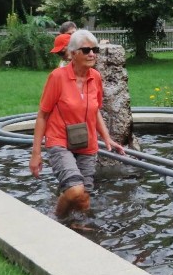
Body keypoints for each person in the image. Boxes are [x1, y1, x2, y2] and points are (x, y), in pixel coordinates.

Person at [30, 30, 126, 218]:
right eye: (86, 50)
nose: (92, 54)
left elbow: (95, 109)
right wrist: (36, 154)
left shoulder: (96, 77)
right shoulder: (58, 77)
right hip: (59, 140)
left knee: (84, 200)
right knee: (75, 191)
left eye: (95, 49)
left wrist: (107, 138)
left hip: (87, 143)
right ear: (73, 53)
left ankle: (75, 225)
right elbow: (42, 115)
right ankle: (55, 219)